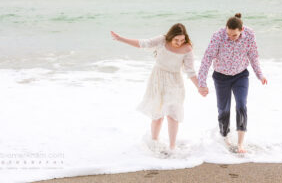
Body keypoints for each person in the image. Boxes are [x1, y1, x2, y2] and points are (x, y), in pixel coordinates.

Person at [110, 23, 199, 153]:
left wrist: (199, 87)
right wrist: (121, 39)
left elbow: (190, 71)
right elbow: (143, 44)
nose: (179, 42)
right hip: (158, 79)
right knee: (158, 114)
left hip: (175, 81)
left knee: (173, 114)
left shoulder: (187, 49)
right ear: (170, 37)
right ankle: (154, 143)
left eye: (182, 39)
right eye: (176, 40)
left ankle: (172, 147)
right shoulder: (162, 40)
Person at [197, 13, 267, 153]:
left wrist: (260, 75)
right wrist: (201, 82)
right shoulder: (218, 36)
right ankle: (225, 137)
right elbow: (207, 58)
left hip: (240, 75)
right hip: (221, 77)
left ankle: (241, 143)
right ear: (226, 28)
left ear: (241, 30)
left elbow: (253, 56)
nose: (230, 37)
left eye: (234, 35)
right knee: (224, 109)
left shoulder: (249, 35)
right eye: (228, 34)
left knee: (241, 105)